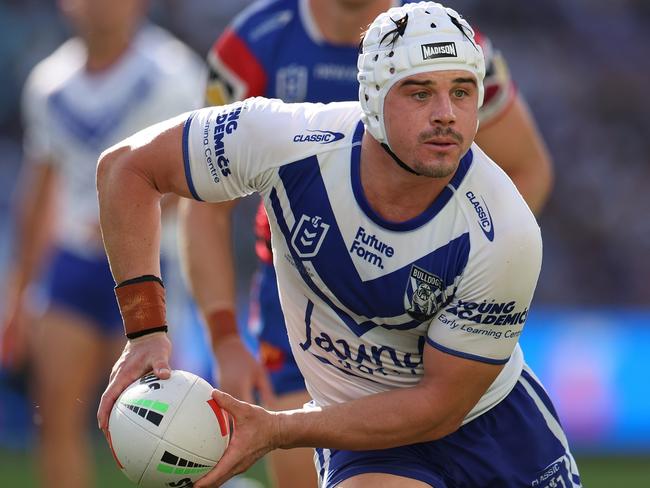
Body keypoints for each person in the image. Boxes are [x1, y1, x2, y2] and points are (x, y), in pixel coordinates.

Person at [96, 3, 580, 487]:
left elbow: (437, 408)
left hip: (496, 431)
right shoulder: (282, 139)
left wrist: (277, 429)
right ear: (371, 96)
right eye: (419, 93)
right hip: (369, 443)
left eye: (461, 92)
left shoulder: (506, 233)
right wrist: (145, 331)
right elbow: (125, 169)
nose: (445, 115)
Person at [0, 1, 205, 487]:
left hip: (153, 262)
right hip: (75, 260)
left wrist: (125, 221)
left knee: (159, 424)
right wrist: (18, 292)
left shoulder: (173, 73)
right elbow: (40, 189)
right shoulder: (50, 82)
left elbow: (200, 179)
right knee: (54, 414)